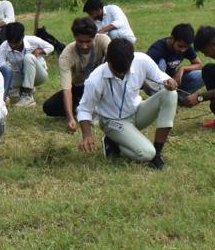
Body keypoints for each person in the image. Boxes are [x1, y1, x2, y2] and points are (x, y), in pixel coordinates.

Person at [76, 39, 178, 169]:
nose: (120, 74)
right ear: (108, 60)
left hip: (137, 111)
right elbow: (84, 109)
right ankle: (112, 142)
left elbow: (160, 76)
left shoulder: (142, 60)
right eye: (116, 70)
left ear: (132, 59)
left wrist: (169, 81)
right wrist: (87, 135)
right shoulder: (95, 79)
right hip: (113, 121)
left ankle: (157, 154)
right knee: (147, 153)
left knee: (170, 94)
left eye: (124, 70)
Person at [44, 16, 110, 130]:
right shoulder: (66, 56)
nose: (84, 46)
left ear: (94, 36)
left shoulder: (103, 41)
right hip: (80, 88)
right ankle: (81, 108)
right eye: (80, 41)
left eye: (88, 41)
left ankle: (99, 106)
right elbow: (67, 89)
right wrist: (70, 118)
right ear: (75, 37)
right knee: (49, 107)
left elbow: (115, 63)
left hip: (102, 83)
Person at [0, 21, 53, 106]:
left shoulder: (32, 40)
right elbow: (2, 69)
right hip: (20, 75)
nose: (13, 46)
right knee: (1, 80)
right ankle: (21, 92)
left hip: (38, 76)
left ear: (22, 37)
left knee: (28, 57)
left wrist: (40, 51)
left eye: (16, 43)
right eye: (10, 43)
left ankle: (27, 96)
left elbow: (51, 47)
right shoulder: (2, 48)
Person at [146, 24, 204, 97]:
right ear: (172, 38)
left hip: (174, 79)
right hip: (158, 82)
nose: (183, 50)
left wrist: (182, 68)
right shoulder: (157, 50)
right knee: (161, 63)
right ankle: (161, 97)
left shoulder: (185, 46)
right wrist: (165, 80)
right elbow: (144, 70)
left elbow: (199, 65)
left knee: (203, 74)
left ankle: (179, 97)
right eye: (180, 46)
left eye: (186, 47)